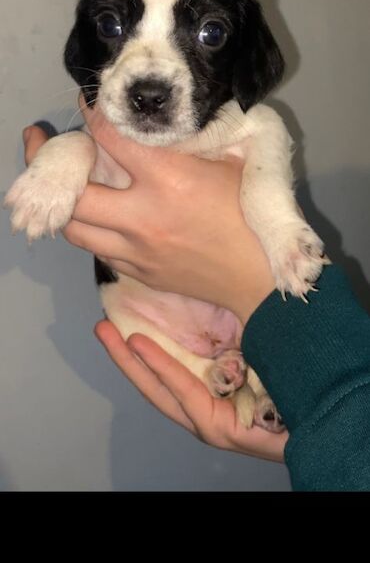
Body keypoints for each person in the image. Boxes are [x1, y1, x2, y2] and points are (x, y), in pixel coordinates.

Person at [21, 103, 370, 491]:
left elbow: (262, 126)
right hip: (157, 316)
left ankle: (258, 385)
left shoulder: (228, 122)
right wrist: (319, 430)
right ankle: (220, 374)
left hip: (278, 343)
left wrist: (324, 428)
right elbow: (87, 149)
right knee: (122, 315)